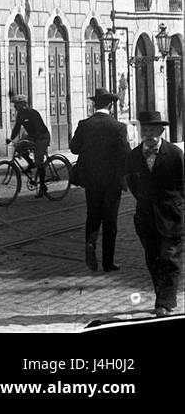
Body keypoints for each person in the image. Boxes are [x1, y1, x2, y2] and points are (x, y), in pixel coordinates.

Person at [126, 110, 184, 317]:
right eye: (146, 129)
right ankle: (163, 297)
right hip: (146, 218)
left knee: (170, 258)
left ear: (161, 131)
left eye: (153, 129)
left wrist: (178, 207)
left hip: (172, 217)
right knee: (153, 259)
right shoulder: (133, 156)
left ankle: (164, 303)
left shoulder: (175, 154)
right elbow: (132, 183)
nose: (149, 134)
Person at [70, 88, 129, 271]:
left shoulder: (85, 124)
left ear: (94, 104)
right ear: (110, 105)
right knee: (110, 221)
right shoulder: (118, 127)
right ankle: (108, 263)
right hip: (112, 181)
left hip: (91, 180)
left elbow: (74, 148)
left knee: (93, 215)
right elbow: (125, 154)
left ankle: (90, 244)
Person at [7, 93, 51, 198]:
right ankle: (31, 164)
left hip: (42, 137)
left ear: (23, 104)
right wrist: (11, 138)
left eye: (16, 104)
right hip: (32, 137)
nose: (14, 107)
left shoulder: (32, 113)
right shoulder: (20, 115)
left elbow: (39, 128)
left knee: (39, 160)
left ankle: (42, 187)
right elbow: (17, 127)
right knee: (18, 147)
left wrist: (32, 142)